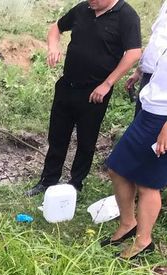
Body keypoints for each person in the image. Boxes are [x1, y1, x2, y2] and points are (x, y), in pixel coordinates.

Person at [25, 0, 142, 197]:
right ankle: (48, 180)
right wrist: (53, 47)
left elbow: (133, 53)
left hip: (95, 91)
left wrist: (107, 84)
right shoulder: (83, 8)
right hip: (67, 84)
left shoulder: (127, 15)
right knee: (57, 136)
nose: (91, 2)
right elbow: (56, 28)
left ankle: (75, 184)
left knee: (86, 140)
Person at [103, 42, 167, 260]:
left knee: (148, 183)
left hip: (162, 119)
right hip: (149, 110)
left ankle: (143, 241)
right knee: (117, 168)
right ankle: (128, 223)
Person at [126, 0, 167, 114]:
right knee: (140, 117)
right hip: (149, 74)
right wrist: (139, 70)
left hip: (162, 81)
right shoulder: (165, 6)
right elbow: (156, 41)